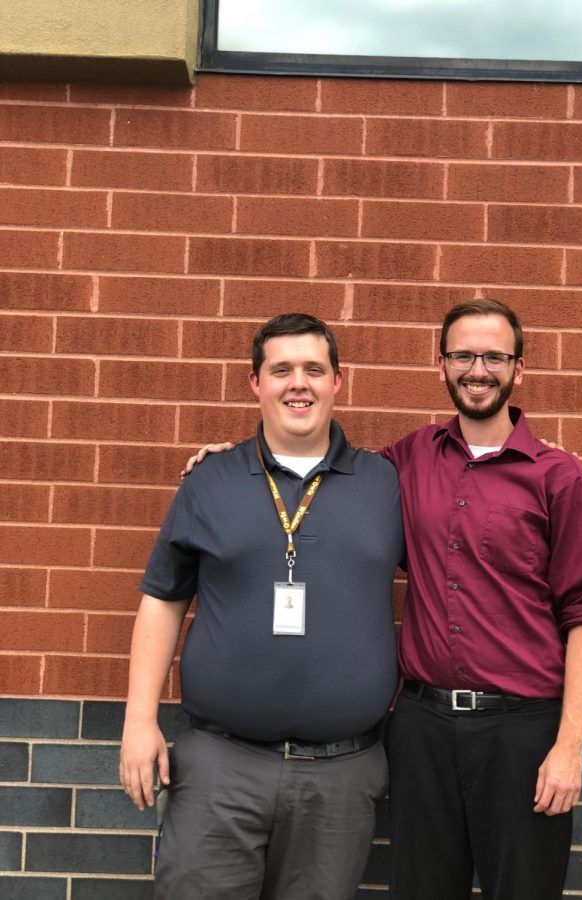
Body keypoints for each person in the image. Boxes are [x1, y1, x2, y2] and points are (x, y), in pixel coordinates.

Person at [183, 299, 582, 900]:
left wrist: (570, 746)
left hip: (522, 732)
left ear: (520, 369)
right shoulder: (405, 461)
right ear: (441, 365)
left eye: (494, 356)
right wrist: (241, 458)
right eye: (463, 355)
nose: (478, 369)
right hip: (421, 728)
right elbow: (317, 470)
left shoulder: (558, 477)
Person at [120, 313, 404, 900]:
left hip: (341, 774)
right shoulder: (211, 480)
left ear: (337, 382)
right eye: (281, 370)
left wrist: (534, 449)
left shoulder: (386, 484)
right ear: (255, 383)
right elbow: (163, 601)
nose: (298, 383)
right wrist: (138, 720)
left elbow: (469, 486)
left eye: (313, 370)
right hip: (220, 765)